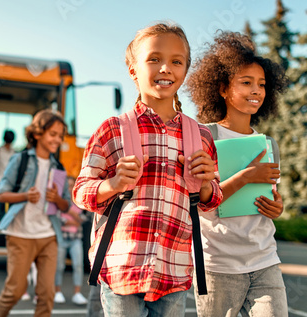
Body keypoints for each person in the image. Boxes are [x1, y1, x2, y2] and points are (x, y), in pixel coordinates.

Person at [73, 22, 223, 317]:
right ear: (133, 71)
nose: (165, 68)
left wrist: (206, 184)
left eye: (176, 61)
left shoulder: (200, 137)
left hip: (174, 269)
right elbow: (81, 191)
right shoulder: (111, 130)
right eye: (154, 59)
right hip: (122, 265)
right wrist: (113, 184)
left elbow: (211, 201)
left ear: (184, 72)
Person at [186, 31, 289, 316]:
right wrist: (246, 176)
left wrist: (276, 207)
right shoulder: (204, 137)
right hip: (218, 265)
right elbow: (199, 202)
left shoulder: (267, 144)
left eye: (261, 84)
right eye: (246, 83)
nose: (256, 90)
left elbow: (271, 197)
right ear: (222, 89)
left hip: (264, 259)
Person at [0, 109, 71, 317]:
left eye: (60, 136)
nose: (57, 140)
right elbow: (1, 195)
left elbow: (66, 205)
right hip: (20, 235)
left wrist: (57, 199)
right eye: (53, 134)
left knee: (47, 294)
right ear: (37, 134)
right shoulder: (21, 160)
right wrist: (25, 195)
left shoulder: (59, 167)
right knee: (15, 291)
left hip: (48, 236)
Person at [54, 177, 89, 305]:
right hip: (62, 238)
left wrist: (70, 214)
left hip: (75, 239)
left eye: (71, 185)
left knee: (78, 265)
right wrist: (75, 219)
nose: (69, 188)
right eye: (67, 185)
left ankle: (77, 293)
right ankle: (57, 292)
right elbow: (59, 220)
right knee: (59, 266)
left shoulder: (79, 201)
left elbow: (84, 219)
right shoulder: (60, 202)